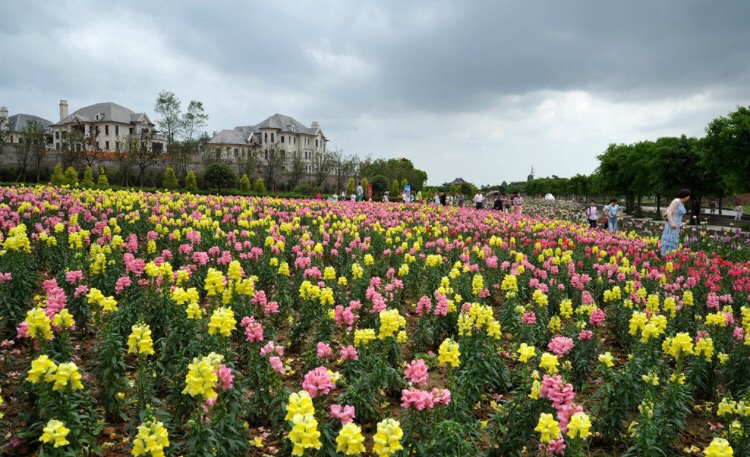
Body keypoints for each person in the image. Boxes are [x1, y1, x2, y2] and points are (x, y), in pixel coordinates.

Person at [661, 189, 691, 256]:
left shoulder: (682, 204)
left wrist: (680, 224)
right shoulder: (677, 201)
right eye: (688, 196)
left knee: (674, 240)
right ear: (685, 196)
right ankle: (665, 256)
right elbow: (669, 211)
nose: (688, 198)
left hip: (676, 224)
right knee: (669, 239)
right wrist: (672, 224)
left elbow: (680, 215)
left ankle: (671, 256)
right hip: (672, 223)